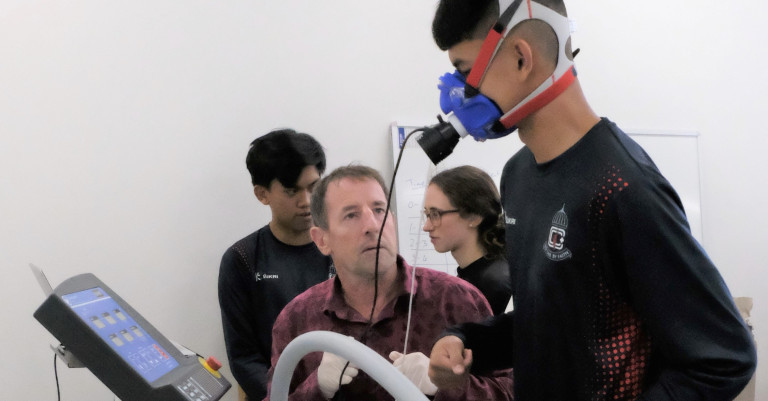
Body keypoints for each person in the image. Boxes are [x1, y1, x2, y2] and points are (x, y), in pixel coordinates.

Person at [427, 1, 757, 400]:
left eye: (465, 72)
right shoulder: (518, 175)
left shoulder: (622, 187)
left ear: (520, 58)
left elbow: (724, 357)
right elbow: (552, 323)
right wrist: (466, 342)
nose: (457, 94)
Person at [264, 165, 514, 400]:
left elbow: (511, 392)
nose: (373, 225)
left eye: (379, 210)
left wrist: (444, 387)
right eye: (351, 215)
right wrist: (316, 387)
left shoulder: (458, 300)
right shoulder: (298, 319)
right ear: (321, 240)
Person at [218, 129, 335, 401]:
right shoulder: (242, 259)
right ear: (262, 194)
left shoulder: (342, 248)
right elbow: (244, 358)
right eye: (291, 191)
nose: (306, 201)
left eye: (313, 187)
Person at [423, 165, 512, 314]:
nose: (426, 227)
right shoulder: (472, 277)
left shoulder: (493, 285)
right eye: (427, 214)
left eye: (436, 214)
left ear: (475, 216)